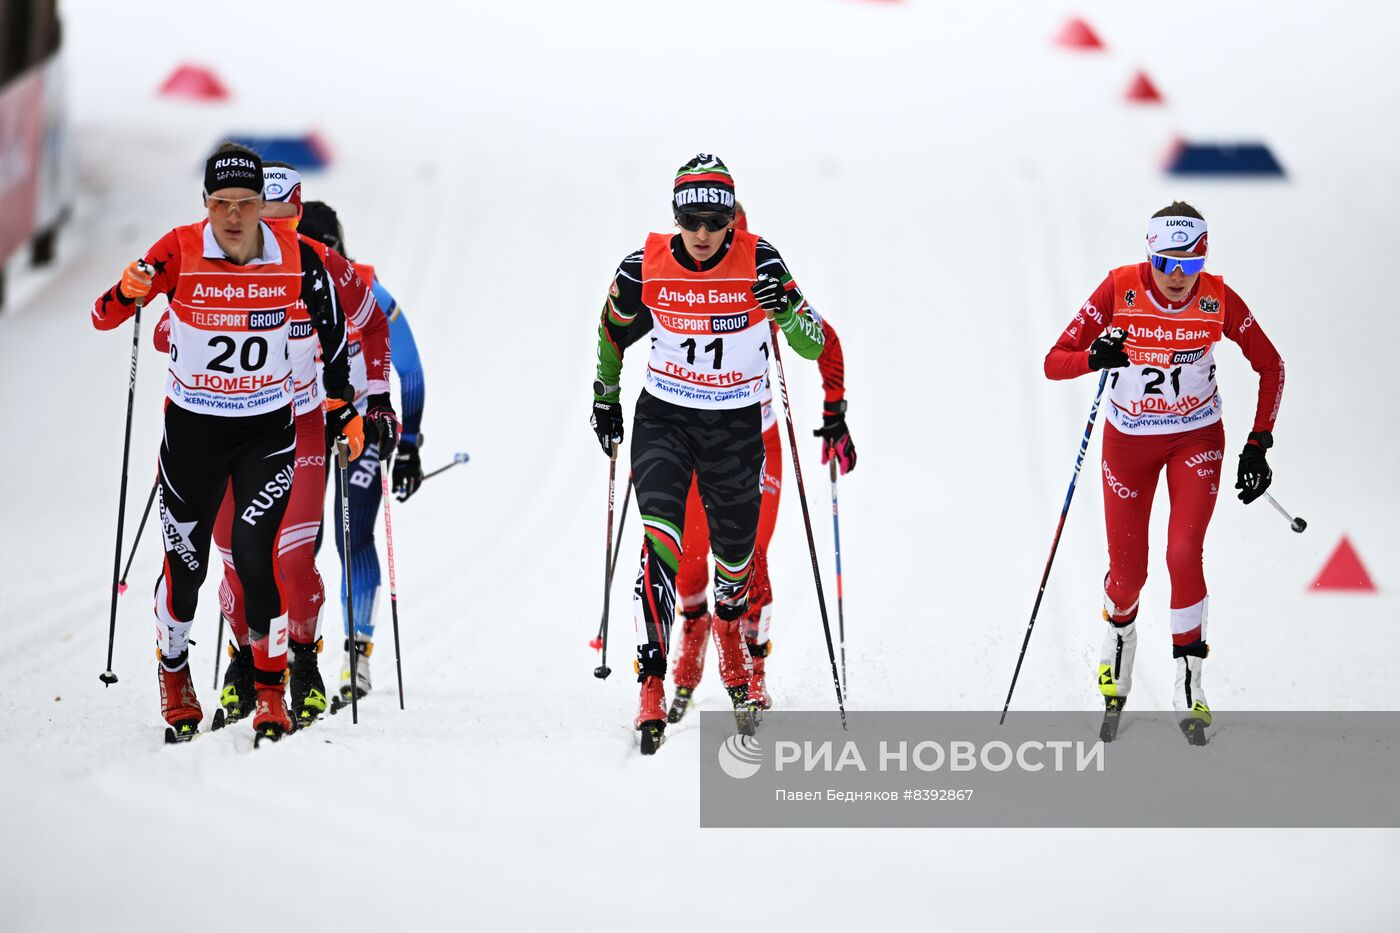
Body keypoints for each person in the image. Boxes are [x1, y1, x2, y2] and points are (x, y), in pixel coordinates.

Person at [92, 143, 363, 743]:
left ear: (263, 206)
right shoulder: (179, 248)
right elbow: (103, 315)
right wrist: (127, 289)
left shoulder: (296, 256)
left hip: (267, 430)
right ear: (206, 204)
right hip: (194, 432)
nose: (235, 217)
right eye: (222, 204)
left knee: (257, 555)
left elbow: (335, 331)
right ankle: (173, 671)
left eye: (246, 204)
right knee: (187, 567)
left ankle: (270, 694)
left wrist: (344, 404)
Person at [591, 154, 826, 754]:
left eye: (713, 222)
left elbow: (811, 343)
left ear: (730, 222)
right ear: (675, 217)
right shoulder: (647, 264)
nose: (700, 234)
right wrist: (606, 399)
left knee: (734, 562)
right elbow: (612, 328)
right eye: (689, 220)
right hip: (665, 420)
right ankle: (649, 682)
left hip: (735, 428)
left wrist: (788, 310)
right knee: (662, 547)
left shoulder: (761, 259)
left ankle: (735, 662)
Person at [156, 163, 396, 730]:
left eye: (284, 217)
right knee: (234, 559)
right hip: (220, 423)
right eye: (264, 215)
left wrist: (374, 402)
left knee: (288, 554)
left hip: (301, 422)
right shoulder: (215, 255)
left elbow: (374, 327)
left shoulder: (320, 265)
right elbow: (171, 328)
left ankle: (304, 663)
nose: (272, 229)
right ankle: (245, 661)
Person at [1044, 201, 1284, 744]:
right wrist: (1095, 357)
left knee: (1182, 553)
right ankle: (1116, 661)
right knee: (1128, 575)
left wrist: (1258, 443)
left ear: (1204, 261)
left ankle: (1189, 685)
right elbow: (1054, 360)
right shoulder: (1119, 289)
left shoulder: (1218, 299)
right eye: (1167, 263)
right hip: (1128, 443)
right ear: (1149, 255)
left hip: (1196, 438)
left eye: (1191, 264)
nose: (1178, 278)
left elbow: (1271, 364)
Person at [662, 202, 857, 722]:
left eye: (727, 238)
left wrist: (834, 410)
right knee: (689, 555)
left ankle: (754, 665)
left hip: (756, 440)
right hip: (690, 438)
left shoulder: (760, 274)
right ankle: (694, 630)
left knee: (751, 557)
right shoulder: (684, 277)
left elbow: (825, 340)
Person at [296, 200, 427, 706]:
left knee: (353, 536)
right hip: (301, 423)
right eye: (308, 249)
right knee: (299, 541)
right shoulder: (282, 285)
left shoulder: (368, 291)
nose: (319, 259)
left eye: (327, 249)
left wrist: (411, 444)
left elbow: (410, 371)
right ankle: (288, 649)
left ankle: (358, 651)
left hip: (359, 428)